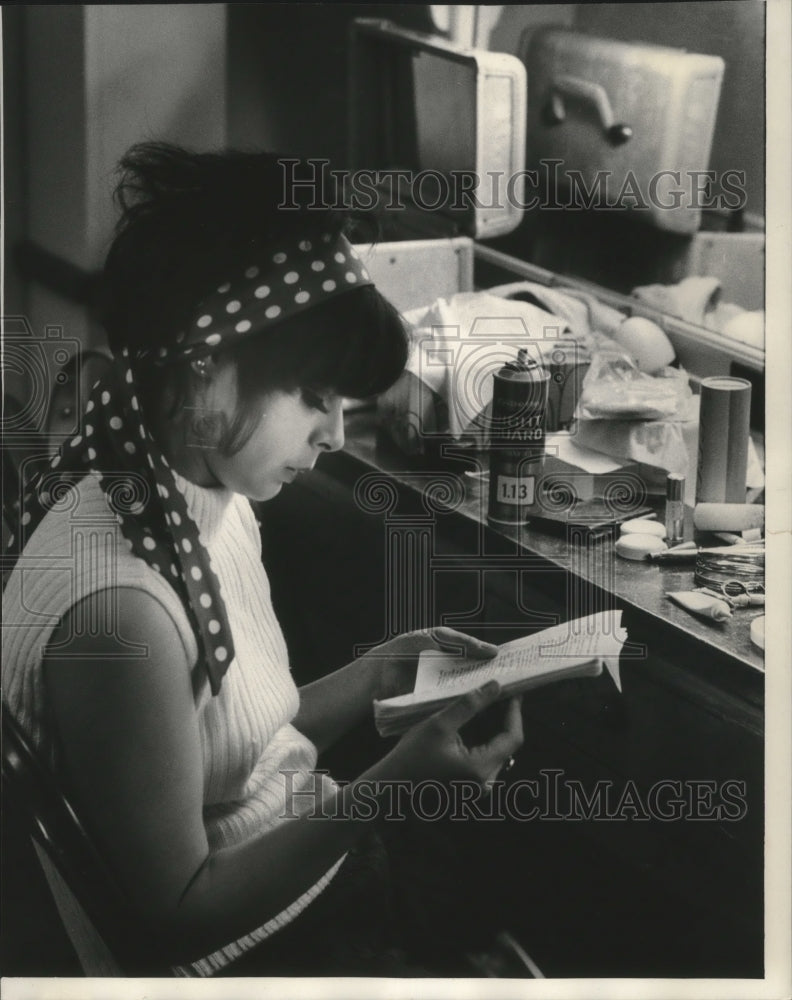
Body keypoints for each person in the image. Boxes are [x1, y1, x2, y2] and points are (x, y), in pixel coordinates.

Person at [1, 143, 523, 977]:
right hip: (258, 955)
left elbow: (223, 751)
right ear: (204, 371)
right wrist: (389, 784)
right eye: (315, 395)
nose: (337, 435)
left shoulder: (197, 486)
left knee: (492, 896)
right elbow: (181, 914)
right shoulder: (118, 610)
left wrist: (377, 675)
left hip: (307, 884)